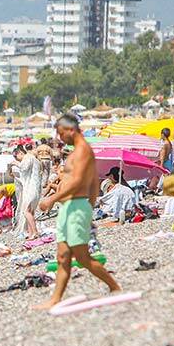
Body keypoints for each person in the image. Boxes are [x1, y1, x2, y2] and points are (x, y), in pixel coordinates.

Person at [34, 114, 121, 310]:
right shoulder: (76, 152)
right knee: (62, 256)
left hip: (76, 206)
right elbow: (92, 184)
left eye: (61, 133)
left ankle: (114, 286)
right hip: (69, 208)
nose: (59, 138)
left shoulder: (83, 150)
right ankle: (55, 299)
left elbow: (78, 182)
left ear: (71, 130)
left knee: (82, 257)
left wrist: (51, 199)